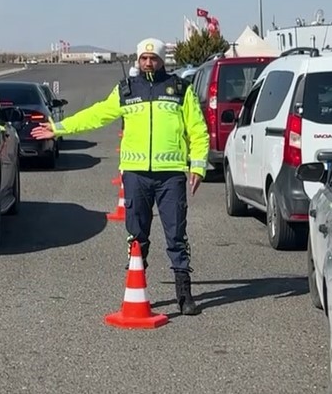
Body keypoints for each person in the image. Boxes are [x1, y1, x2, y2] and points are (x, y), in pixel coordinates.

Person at [31, 37, 209, 316]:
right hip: (136, 176)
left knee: (176, 234)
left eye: (153, 58)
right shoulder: (126, 90)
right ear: (138, 60)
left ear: (162, 60)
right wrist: (59, 128)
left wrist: (197, 167)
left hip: (171, 176)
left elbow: (198, 130)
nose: (148, 62)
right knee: (137, 235)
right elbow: (97, 114)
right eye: (144, 58)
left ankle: (184, 294)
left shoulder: (180, 89)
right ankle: (137, 287)